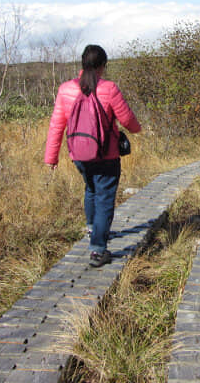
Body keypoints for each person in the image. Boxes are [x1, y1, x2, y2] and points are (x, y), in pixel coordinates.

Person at [45, 44, 141, 267]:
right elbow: (127, 120)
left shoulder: (66, 90)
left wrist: (52, 157)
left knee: (91, 189)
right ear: (103, 66)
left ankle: (92, 228)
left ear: (82, 63)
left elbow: (56, 125)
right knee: (105, 197)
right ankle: (98, 250)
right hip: (106, 155)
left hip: (79, 154)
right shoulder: (109, 89)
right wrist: (137, 129)